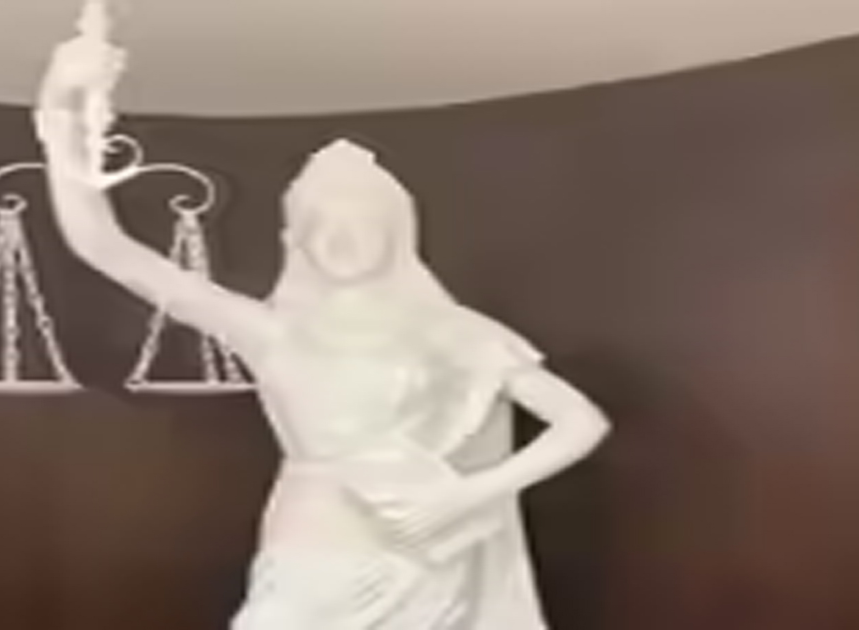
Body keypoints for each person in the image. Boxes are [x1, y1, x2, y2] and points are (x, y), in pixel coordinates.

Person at [34, 29, 611, 630]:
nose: (342, 239)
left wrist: (467, 496)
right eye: (324, 224)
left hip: (419, 549)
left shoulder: (456, 332)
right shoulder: (270, 331)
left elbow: (581, 421)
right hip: (313, 544)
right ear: (298, 239)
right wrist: (61, 105)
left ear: (397, 234)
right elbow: (104, 247)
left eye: (362, 224)